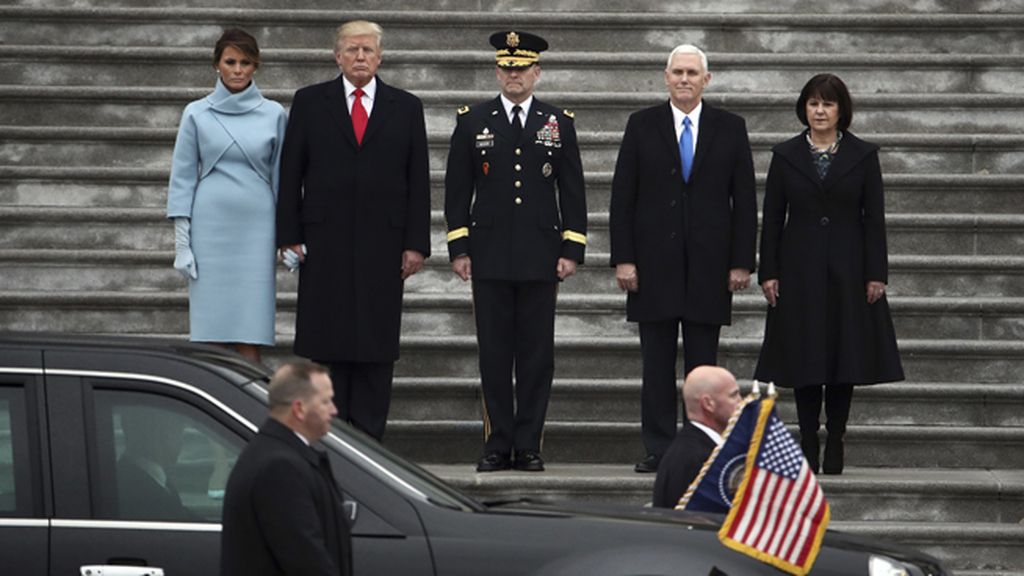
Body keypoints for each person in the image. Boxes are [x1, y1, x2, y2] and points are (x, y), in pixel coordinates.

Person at [277, 20, 431, 441]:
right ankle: (326, 436)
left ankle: (370, 443)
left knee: (376, 345)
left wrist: (416, 243)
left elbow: (418, 179)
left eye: (367, 50)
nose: (360, 57)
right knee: (327, 343)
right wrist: (288, 234)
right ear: (337, 55)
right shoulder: (310, 102)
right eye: (352, 49)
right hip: (324, 243)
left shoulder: (406, 106)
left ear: (380, 57)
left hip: (384, 244)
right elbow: (291, 171)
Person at [608, 44, 757, 474]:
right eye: (678, 72)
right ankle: (659, 448)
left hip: (710, 267)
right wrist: (624, 259)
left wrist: (741, 261)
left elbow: (744, 200)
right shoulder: (642, 125)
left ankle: (703, 449)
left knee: (704, 368)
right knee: (655, 365)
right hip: (652, 266)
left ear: (706, 80)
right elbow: (623, 197)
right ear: (665, 76)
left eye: (693, 72)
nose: (685, 79)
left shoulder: (730, 127)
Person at [444, 31, 587, 472]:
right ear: (497, 72)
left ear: (536, 73)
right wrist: (459, 247)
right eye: (507, 68)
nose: (514, 75)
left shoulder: (557, 122)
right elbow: (456, 190)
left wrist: (572, 248)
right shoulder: (473, 120)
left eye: (522, 68)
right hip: (488, 255)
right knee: (493, 354)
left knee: (536, 356)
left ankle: (528, 444)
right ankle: (496, 442)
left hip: (542, 256)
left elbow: (574, 191)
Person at [754, 73, 904, 475]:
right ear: (804, 108)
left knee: (843, 354)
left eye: (828, 104)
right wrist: (768, 272)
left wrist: (876, 272)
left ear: (841, 110)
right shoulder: (785, 155)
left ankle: (835, 437)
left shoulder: (862, 155)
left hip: (848, 268)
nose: (819, 111)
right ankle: (806, 439)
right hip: (798, 268)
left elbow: (874, 219)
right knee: (805, 354)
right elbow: (772, 220)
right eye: (813, 103)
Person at [167, 28, 287, 363]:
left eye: (245, 62)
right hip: (210, 231)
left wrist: (288, 236)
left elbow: (283, 179)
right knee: (211, 334)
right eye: (230, 61)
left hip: (257, 230)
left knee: (252, 330)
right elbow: (182, 177)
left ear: (256, 66)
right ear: (217, 64)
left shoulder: (275, 114)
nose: (237, 69)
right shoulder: (195, 113)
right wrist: (182, 242)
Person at [220, 362, 352, 576]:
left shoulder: (277, 456)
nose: (334, 411)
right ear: (299, 409)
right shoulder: (279, 469)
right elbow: (306, 560)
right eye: (325, 402)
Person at [651, 365, 741, 508]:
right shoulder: (695, 459)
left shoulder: (695, 449)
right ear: (708, 404)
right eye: (733, 395)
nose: (741, 403)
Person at [117, 407, 197, 521]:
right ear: (164, 435)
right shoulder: (139, 495)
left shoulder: (130, 477)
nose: (181, 441)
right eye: (179, 432)